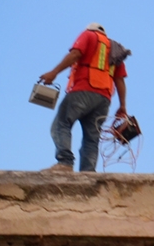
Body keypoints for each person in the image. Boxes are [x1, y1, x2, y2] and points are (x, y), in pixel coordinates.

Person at [39, 23, 128, 172]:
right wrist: (123, 106)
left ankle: (65, 163)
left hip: (85, 89)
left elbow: (75, 54)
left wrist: (54, 72)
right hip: (103, 99)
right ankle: (88, 173)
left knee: (61, 123)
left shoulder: (88, 35)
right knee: (92, 137)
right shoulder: (115, 47)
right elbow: (120, 80)